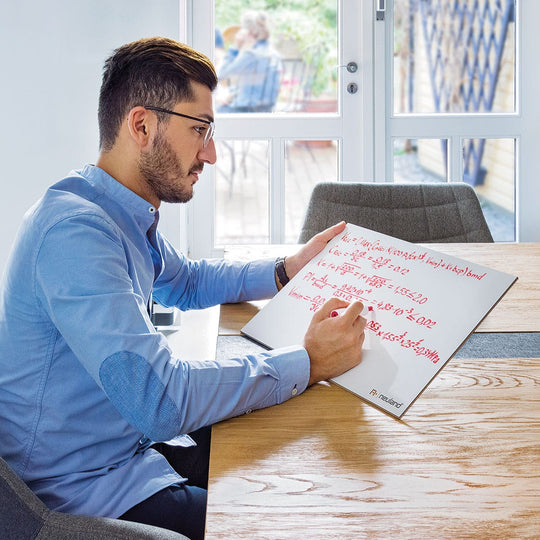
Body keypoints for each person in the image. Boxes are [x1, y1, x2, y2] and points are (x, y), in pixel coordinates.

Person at [0, 37, 366, 539]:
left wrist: (285, 269)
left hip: (122, 451)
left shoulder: (117, 210)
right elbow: (161, 400)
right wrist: (308, 360)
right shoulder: (75, 235)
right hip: (76, 495)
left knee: (295, 455)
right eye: (200, 130)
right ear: (143, 124)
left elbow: (186, 281)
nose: (211, 154)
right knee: (282, 518)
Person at [217, 10, 282, 112]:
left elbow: (220, 74)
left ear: (248, 31)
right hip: (267, 110)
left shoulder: (251, 56)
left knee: (216, 111)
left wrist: (236, 46)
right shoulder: (275, 56)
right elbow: (254, 86)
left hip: (245, 111)